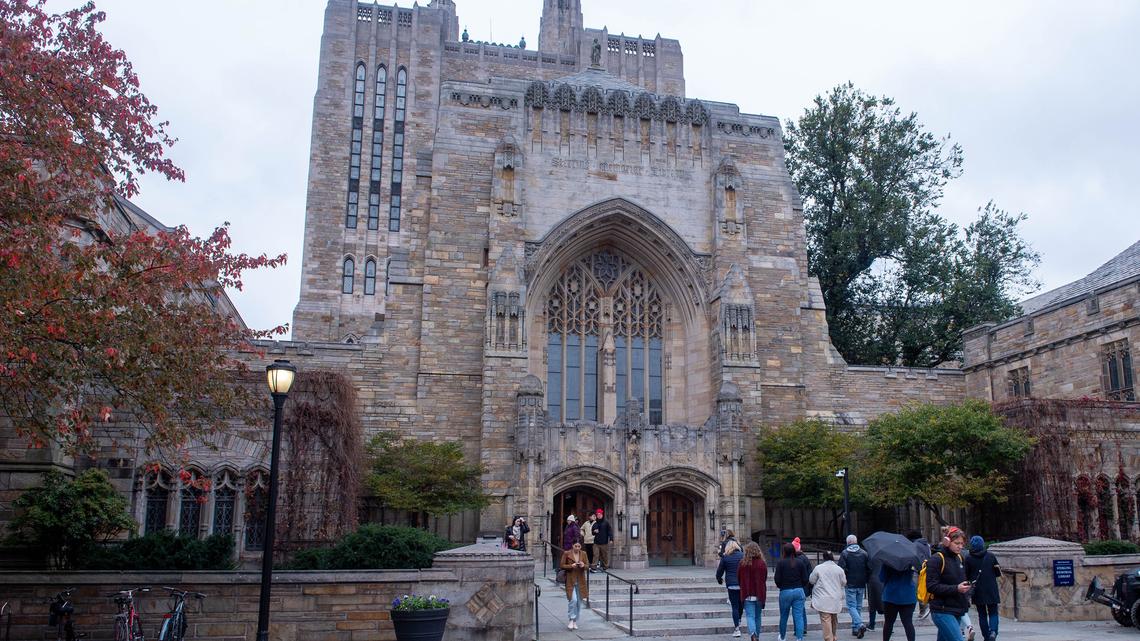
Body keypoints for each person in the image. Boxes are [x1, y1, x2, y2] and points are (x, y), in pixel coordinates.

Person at [926, 527, 971, 641]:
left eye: (962, 543)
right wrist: (956, 588)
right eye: (957, 543)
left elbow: (961, 580)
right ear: (947, 541)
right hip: (942, 610)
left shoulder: (960, 558)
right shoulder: (936, 559)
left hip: (957, 608)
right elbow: (931, 586)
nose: (960, 546)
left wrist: (967, 588)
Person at [964, 536, 1001, 641]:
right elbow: (997, 573)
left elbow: (966, 575)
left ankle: (986, 635)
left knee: (982, 614)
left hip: (977, 589)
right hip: (991, 587)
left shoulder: (968, 558)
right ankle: (993, 631)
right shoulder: (990, 556)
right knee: (993, 612)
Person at [775, 542, 810, 641]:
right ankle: (799, 638)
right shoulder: (800, 562)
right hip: (799, 591)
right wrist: (800, 586)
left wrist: (781, 586)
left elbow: (777, 579)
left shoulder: (780, 563)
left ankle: (782, 637)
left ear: (784, 552)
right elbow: (805, 578)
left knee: (784, 616)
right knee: (799, 617)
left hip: (785, 591)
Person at [810, 551, 847, 641]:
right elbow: (844, 582)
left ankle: (828, 638)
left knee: (825, 618)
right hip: (835, 598)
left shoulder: (818, 568)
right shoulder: (839, 569)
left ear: (824, 558)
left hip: (822, 598)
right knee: (834, 618)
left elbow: (811, 580)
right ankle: (833, 636)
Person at [839, 534, 871, 638]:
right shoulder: (864, 553)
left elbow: (841, 569)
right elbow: (869, 568)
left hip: (850, 583)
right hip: (861, 583)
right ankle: (855, 628)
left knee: (851, 606)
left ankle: (859, 624)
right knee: (858, 607)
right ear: (856, 541)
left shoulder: (845, 553)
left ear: (848, 542)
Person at [738, 541, 768, 641]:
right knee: (758, 616)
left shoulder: (742, 563)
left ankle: (753, 635)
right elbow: (764, 578)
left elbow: (738, 578)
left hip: (747, 593)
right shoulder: (762, 564)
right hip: (759, 593)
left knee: (750, 616)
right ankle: (757, 636)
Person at [880, 561, 917, 641]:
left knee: (889, 623)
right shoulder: (910, 560)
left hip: (891, 595)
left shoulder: (888, 561)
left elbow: (881, 578)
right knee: (908, 623)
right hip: (908, 595)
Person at [716, 539, 745, 637]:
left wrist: (719, 579)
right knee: (741, 605)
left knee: (734, 607)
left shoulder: (725, 557)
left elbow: (719, 571)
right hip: (742, 584)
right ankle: (739, 619)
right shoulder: (742, 556)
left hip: (731, 585)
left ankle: (737, 628)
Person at [559, 540, 590, 630]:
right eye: (575, 546)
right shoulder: (567, 553)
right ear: (572, 545)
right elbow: (561, 565)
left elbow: (588, 566)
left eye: (579, 546)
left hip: (580, 581)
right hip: (570, 580)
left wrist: (583, 565)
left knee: (579, 603)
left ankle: (575, 621)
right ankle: (571, 619)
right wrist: (571, 566)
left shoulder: (583, 554)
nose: (577, 548)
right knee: (573, 600)